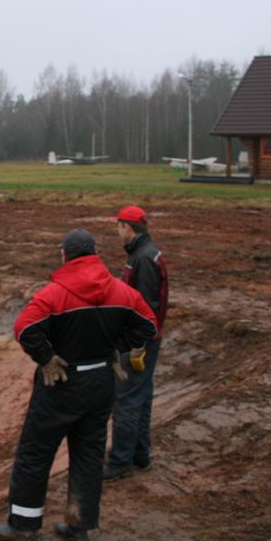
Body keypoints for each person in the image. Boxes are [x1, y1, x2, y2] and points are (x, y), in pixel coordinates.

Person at [0, 228, 158, 541]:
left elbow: (24, 328)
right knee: (89, 453)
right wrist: (117, 348)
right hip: (100, 382)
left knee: (36, 453)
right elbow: (148, 325)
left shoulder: (55, 293)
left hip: (61, 382)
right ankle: (80, 525)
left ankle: (24, 525)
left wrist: (47, 358)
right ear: (94, 254)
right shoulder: (121, 291)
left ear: (65, 255)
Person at [104, 205, 169, 482]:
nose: (117, 231)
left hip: (138, 342)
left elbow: (145, 306)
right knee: (141, 398)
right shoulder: (145, 254)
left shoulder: (142, 260)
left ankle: (119, 462)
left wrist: (137, 344)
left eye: (118, 226)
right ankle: (140, 455)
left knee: (127, 400)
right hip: (144, 339)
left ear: (128, 227)